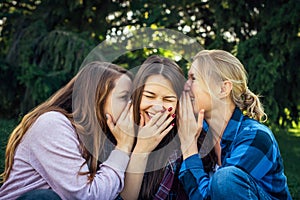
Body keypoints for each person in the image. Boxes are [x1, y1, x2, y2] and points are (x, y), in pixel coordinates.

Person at [0, 61, 135, 200]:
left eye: (132, 98)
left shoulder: (105, 138)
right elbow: (84, 196)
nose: (132, 105)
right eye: (124, 97)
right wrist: (123, 148)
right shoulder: (52, 124)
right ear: (95, 97)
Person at [178, 49, 292, 199]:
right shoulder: (197, 131)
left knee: (225, 179)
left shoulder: (256, 136)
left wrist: (189, 150)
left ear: (223, 88)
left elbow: (210, 197)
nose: (186, 86)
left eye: (194, 79)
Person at [120, 55, 188, 200]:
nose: (158, 107)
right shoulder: (116, 133)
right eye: (149, 96)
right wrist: (141, 148)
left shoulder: (179, 150)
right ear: (137, 96)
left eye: (168, 99)